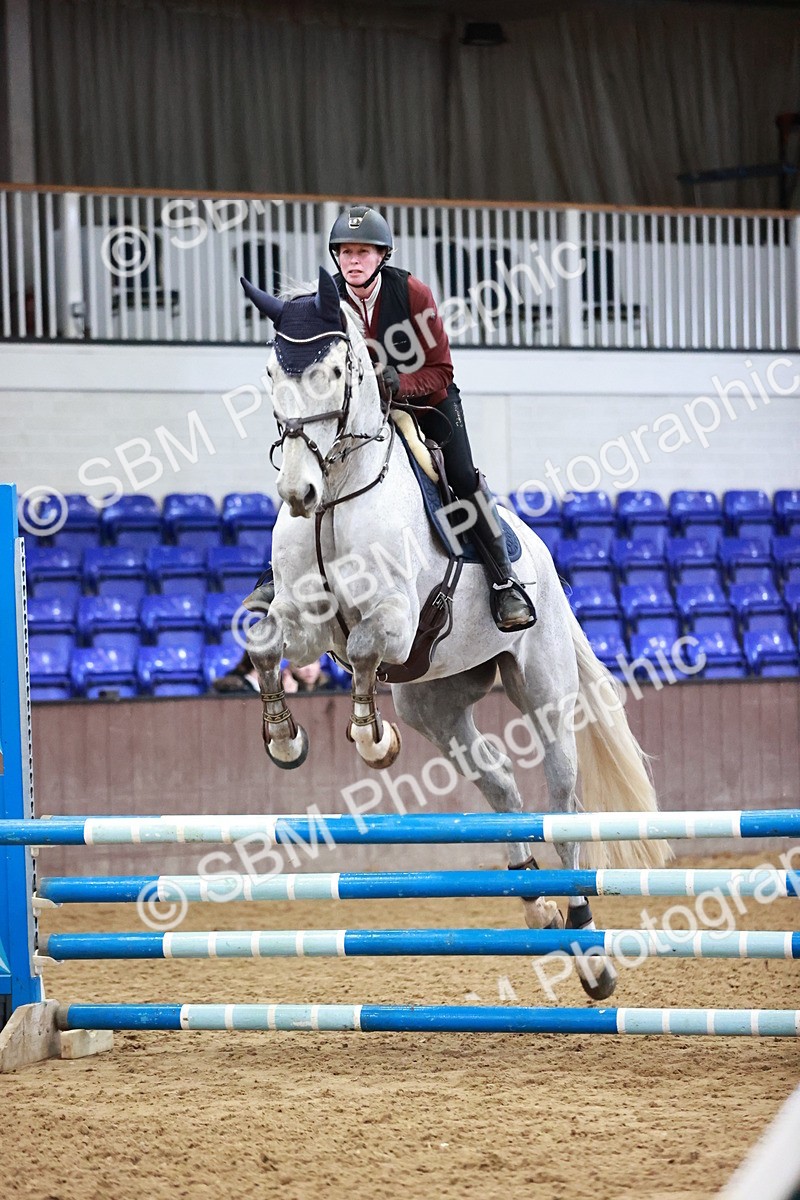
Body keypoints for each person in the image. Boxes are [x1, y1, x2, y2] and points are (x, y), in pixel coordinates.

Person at [328, 204, 533, 631]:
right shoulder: (327, 301)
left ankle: (504, 583)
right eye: (345, 252)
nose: (353, 261)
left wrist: (398, 384)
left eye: (363, 252)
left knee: (459, 475)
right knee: (313, 468)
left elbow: (442, 370)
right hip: (364, 413)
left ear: (382, 255)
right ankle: (277, 577)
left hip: (429, 402)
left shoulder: (413, 293)